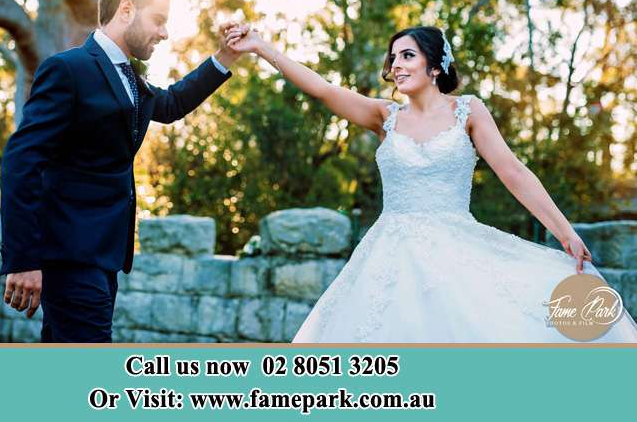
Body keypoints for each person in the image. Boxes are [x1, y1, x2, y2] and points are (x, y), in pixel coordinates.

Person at [226, 25, 637, 342]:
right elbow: (321, 88)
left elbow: (512, 171)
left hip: (458, 247)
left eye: (408, 55)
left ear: (435, 65)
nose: (396, 65)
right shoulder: (383, 116)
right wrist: (262, 47)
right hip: (388, 255)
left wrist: (564, 231)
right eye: (394, 58)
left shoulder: (468, 110)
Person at [0, 0, 243, 342]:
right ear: (127, 9)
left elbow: (172, 103)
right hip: (71, 257)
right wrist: (23, 259)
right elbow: (21, 160)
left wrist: (224, 57)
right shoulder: (69, 69)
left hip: (103, 258)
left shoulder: (132, 79)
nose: (164, 33)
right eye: (158, 20)